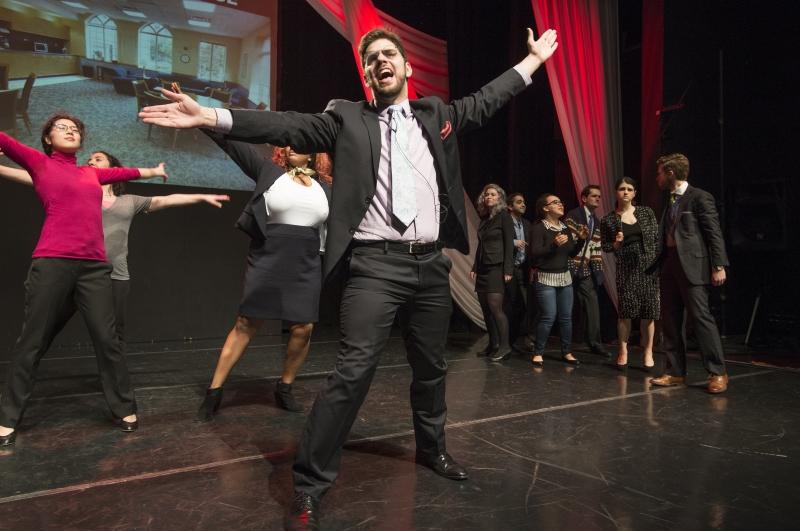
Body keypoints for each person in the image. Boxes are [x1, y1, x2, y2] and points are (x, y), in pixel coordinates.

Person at [140, 25, 558, 530]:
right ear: (366, 75)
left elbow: (489, 98)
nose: (381, 61)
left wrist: (532, 61)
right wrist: (210, 115)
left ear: (406, 68)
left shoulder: (438, 114)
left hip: (431, 265)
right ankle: (310, 482)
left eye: (389, 55)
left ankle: (433, 449)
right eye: (371, 58)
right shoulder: (346, 118)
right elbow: (286, 125)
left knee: (431, 370)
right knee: (353, 372)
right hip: (375, 265)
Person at [0, 113, 167, 446]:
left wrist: (153, 171)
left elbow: (125, 172)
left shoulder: (90, 172)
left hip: (94, 267)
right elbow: (7, 142)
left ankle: (123, 407)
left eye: (75, 128)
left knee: (108, 340)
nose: (70, 130)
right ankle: (7, 417)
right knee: (32, 339)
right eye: (62, 127)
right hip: (53, 262)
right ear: (47, 139)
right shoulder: (40, 163)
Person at [0, 150, 230, 344]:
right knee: (46, 328)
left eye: (98, 158)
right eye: (89, 159)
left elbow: (167, 199)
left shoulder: (129, 202)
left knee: (112, 334)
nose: (91, 161)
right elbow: (34, 176)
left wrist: (201, 196)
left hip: (115, 275)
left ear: (113, 168)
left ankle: (114, 380)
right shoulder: (75, 191)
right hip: (76, 269)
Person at [196, 138, 331, 420]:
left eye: (301, 144)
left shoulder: (326, 187)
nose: (293, 148)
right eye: (289, 145)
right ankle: (215, 391)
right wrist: (204, 118)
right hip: (269, 255)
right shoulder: (270, 173)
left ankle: (285, 387)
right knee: (247, 322)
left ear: (313, 153)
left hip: (306, 260)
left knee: (303, 327)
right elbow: (233, 145)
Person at [650, 154, 730, 393]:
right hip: (671, 264)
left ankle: (717, 372)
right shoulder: (670, 200)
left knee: (700, 318)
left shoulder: (699, 197)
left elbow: (713, 233)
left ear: (671, 172)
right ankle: (675, 372)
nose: (658, 177)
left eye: (660, 172)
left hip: (693, 266)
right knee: (671, 321)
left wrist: (718, 265)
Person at [599, 177, 660, 370]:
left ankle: (648, 351)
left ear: (634, 194)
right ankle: (623, 351)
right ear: (616, 193)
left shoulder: (646, 212)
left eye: (630, 189)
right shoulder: (608, 219)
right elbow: (606, 246)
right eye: (622, 189)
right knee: (625, 312)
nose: (626, 192)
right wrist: (616, 243)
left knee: (648, 312)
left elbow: (656, 237)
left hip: (648, 268)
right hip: (626, 269)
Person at [529, 194, 586, 368]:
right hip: (546, 278)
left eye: (561, 202)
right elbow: (534, 254)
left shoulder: (564, 227)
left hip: (565, 278)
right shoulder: (538, 227)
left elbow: (571, 253)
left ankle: (567, 352)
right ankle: (538, 352)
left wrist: (581, 240)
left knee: (566, 318)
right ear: (545, 208)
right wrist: (553, 244)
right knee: (548, 316)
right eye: (555, 202)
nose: (561, 204)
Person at [564, 185, 610, 358]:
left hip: (584, 270)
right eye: (594, 196)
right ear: (584, 198)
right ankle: (535, 337)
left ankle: (594, 342)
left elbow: (596, 249)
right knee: (561, 305)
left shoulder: (596, 222)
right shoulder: (573, 215)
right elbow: (571, 243)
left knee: (592, 303)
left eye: (599, 196)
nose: (598, 199)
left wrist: (598, 272)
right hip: (568, 267)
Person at [470, 184, 514, 362]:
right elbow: (481, 245)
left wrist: (508, 269)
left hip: (497, 266)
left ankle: (505, 346)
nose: (488, 196)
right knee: (486, 310)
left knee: (495, 307)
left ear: (499, 198)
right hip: (483, 267)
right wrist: (475, 266)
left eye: (492, 194)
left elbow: (509, 244)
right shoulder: (485, 219)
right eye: (486, 194)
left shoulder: (504, 216)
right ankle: (493, 344)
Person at [506, 192, 533, 350]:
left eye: (523, 202)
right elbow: (498, 240)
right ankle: (508, 340)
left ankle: (516, 338)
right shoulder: (505, 222)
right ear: (510, 206)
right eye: (519, 202)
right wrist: (513, 242)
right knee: (512, 305)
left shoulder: (527, 223)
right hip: (509, 268)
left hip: (523, 269)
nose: (523, 205)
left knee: (523, 305)